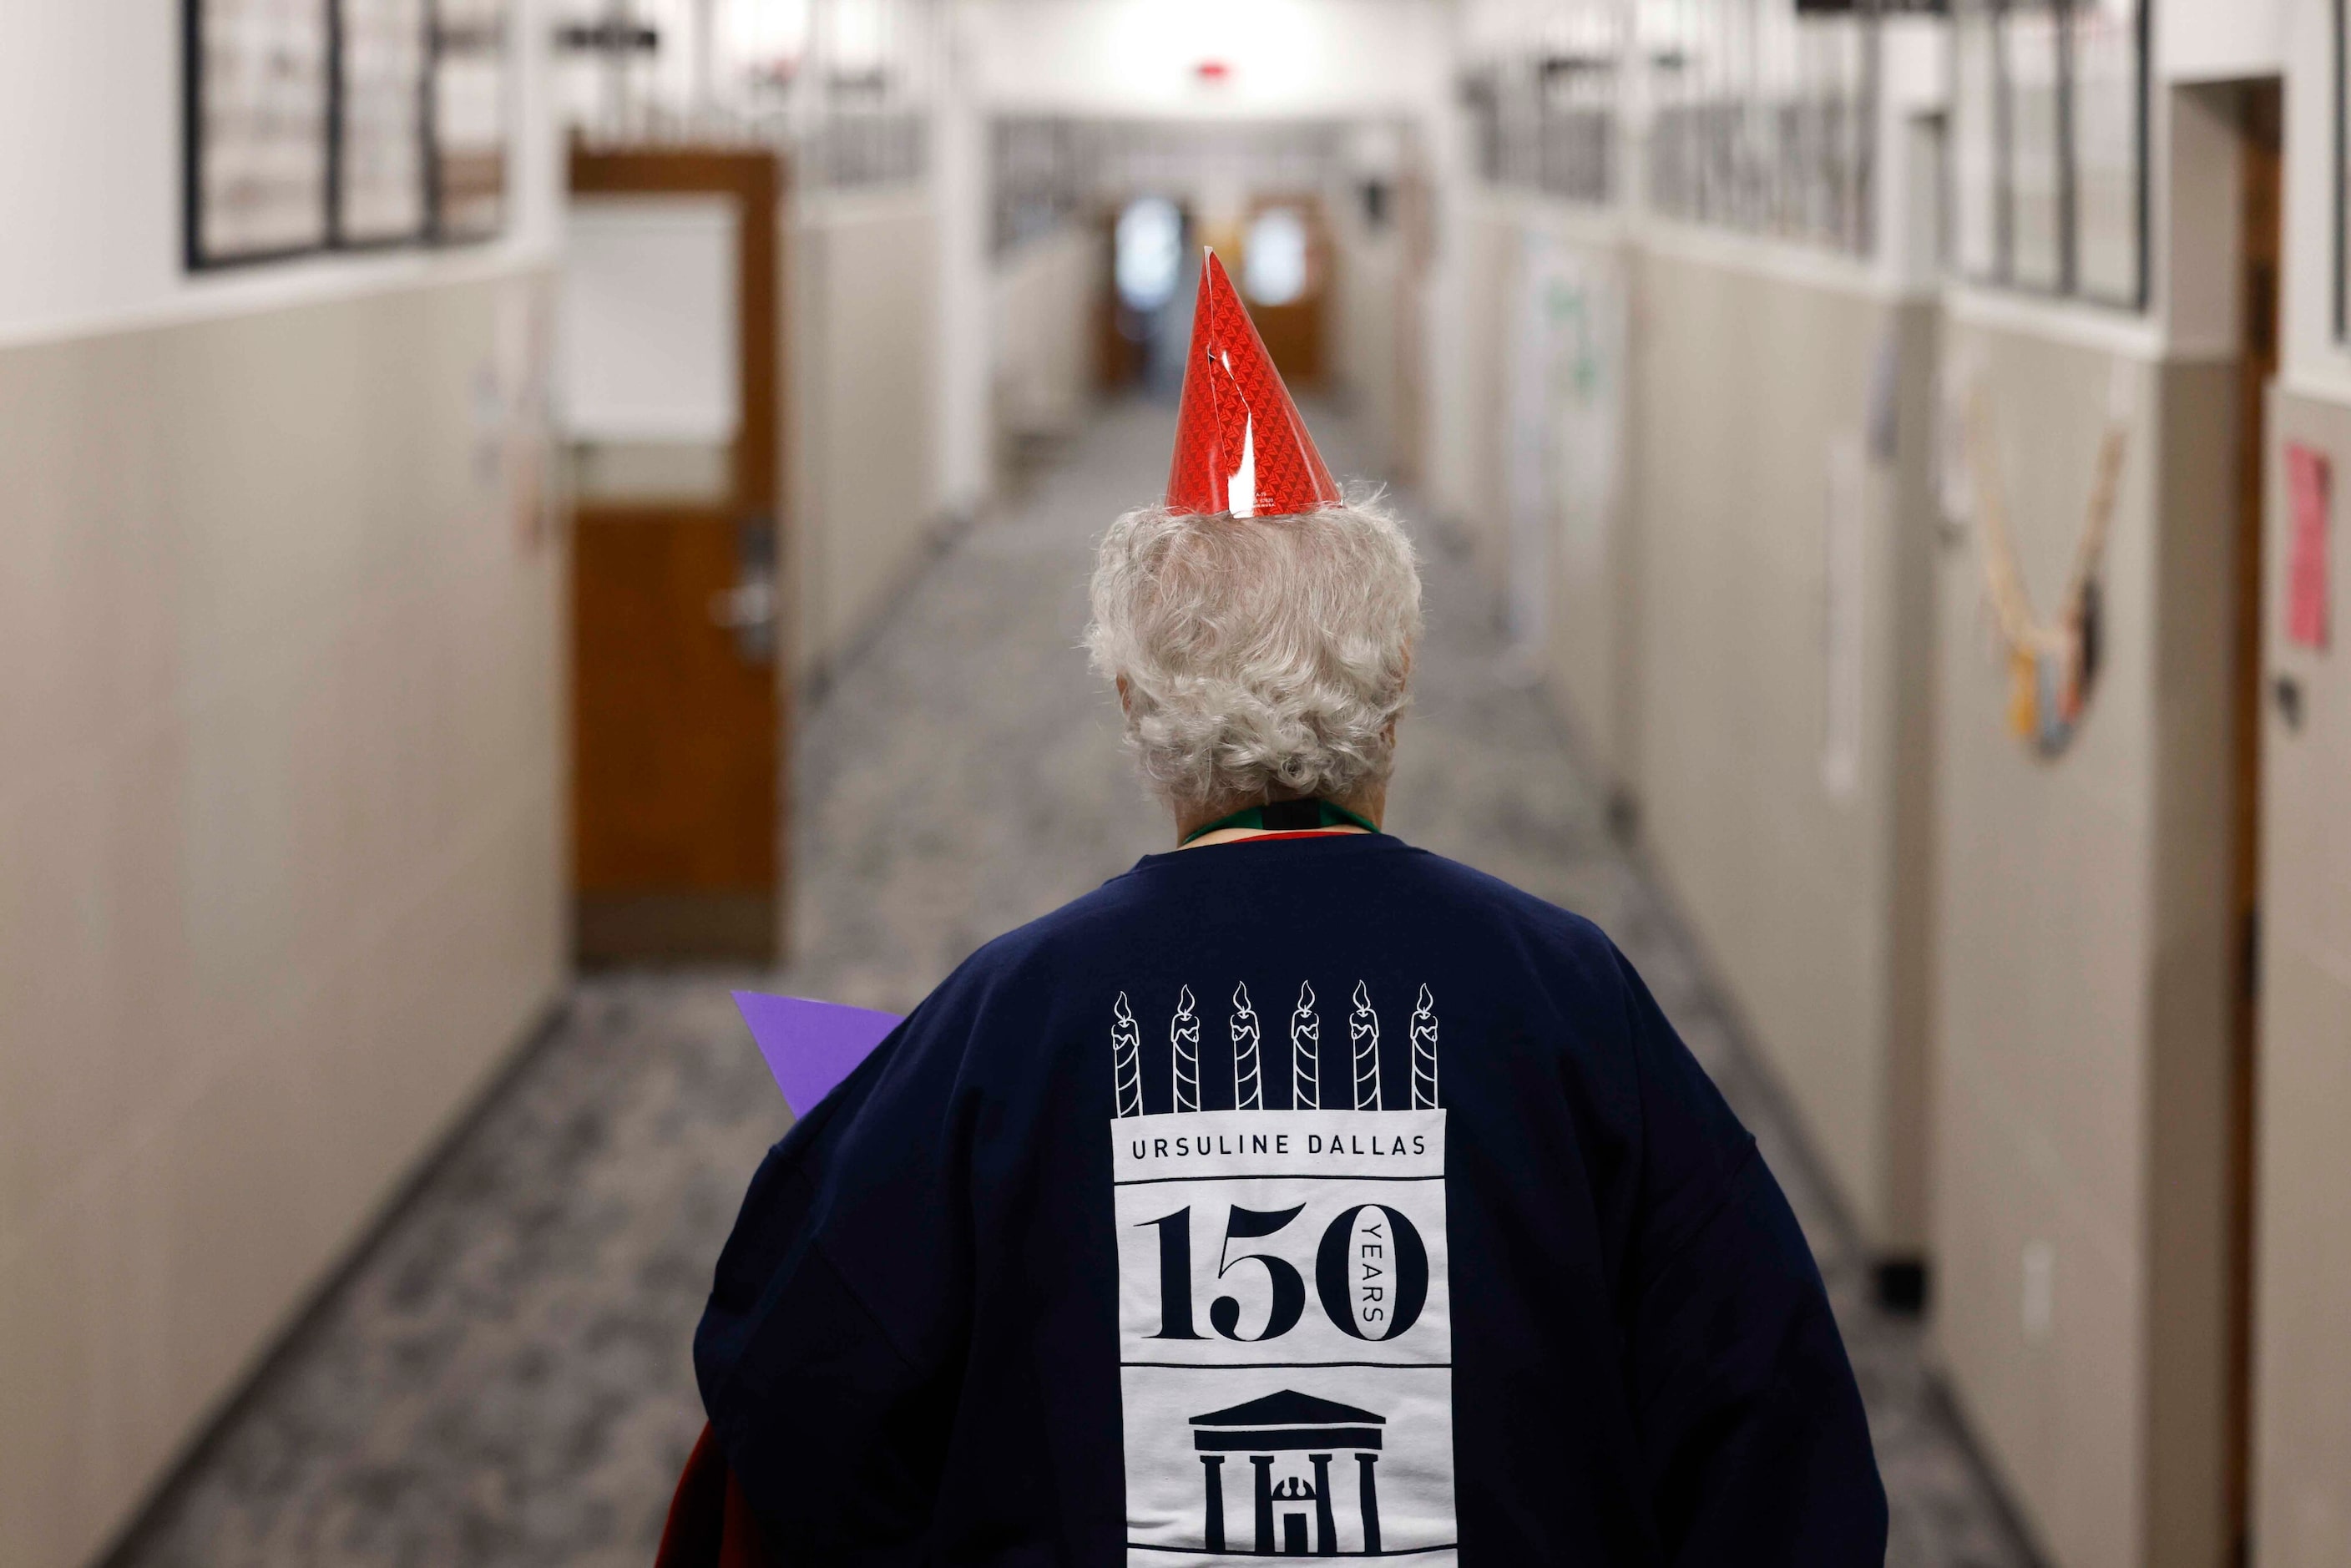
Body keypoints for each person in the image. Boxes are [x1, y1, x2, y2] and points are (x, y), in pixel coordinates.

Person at [681, 253, 1887, 1565]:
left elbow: (789, 1385)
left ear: (1137, 707)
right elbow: (1770, 1421)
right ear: (1401, 682)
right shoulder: (1569, 1002)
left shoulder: (1003, 1021)